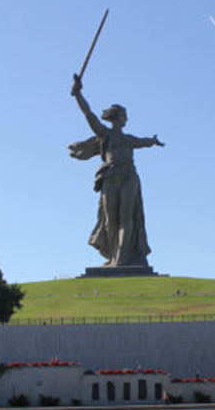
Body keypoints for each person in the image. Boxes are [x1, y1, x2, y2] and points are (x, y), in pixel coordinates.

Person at [69, 74, 164, 267]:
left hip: (129, 177)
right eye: (124, 115)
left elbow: (143, 142)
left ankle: (122, 256)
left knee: (126, 217)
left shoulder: (128, 139)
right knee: (110, 221)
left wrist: (153, 141)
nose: (126, 118)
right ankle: (113, 254)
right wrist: (78, 94)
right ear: (116, 117)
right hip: (110, 178)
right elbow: (89, 114)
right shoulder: (105, 134)